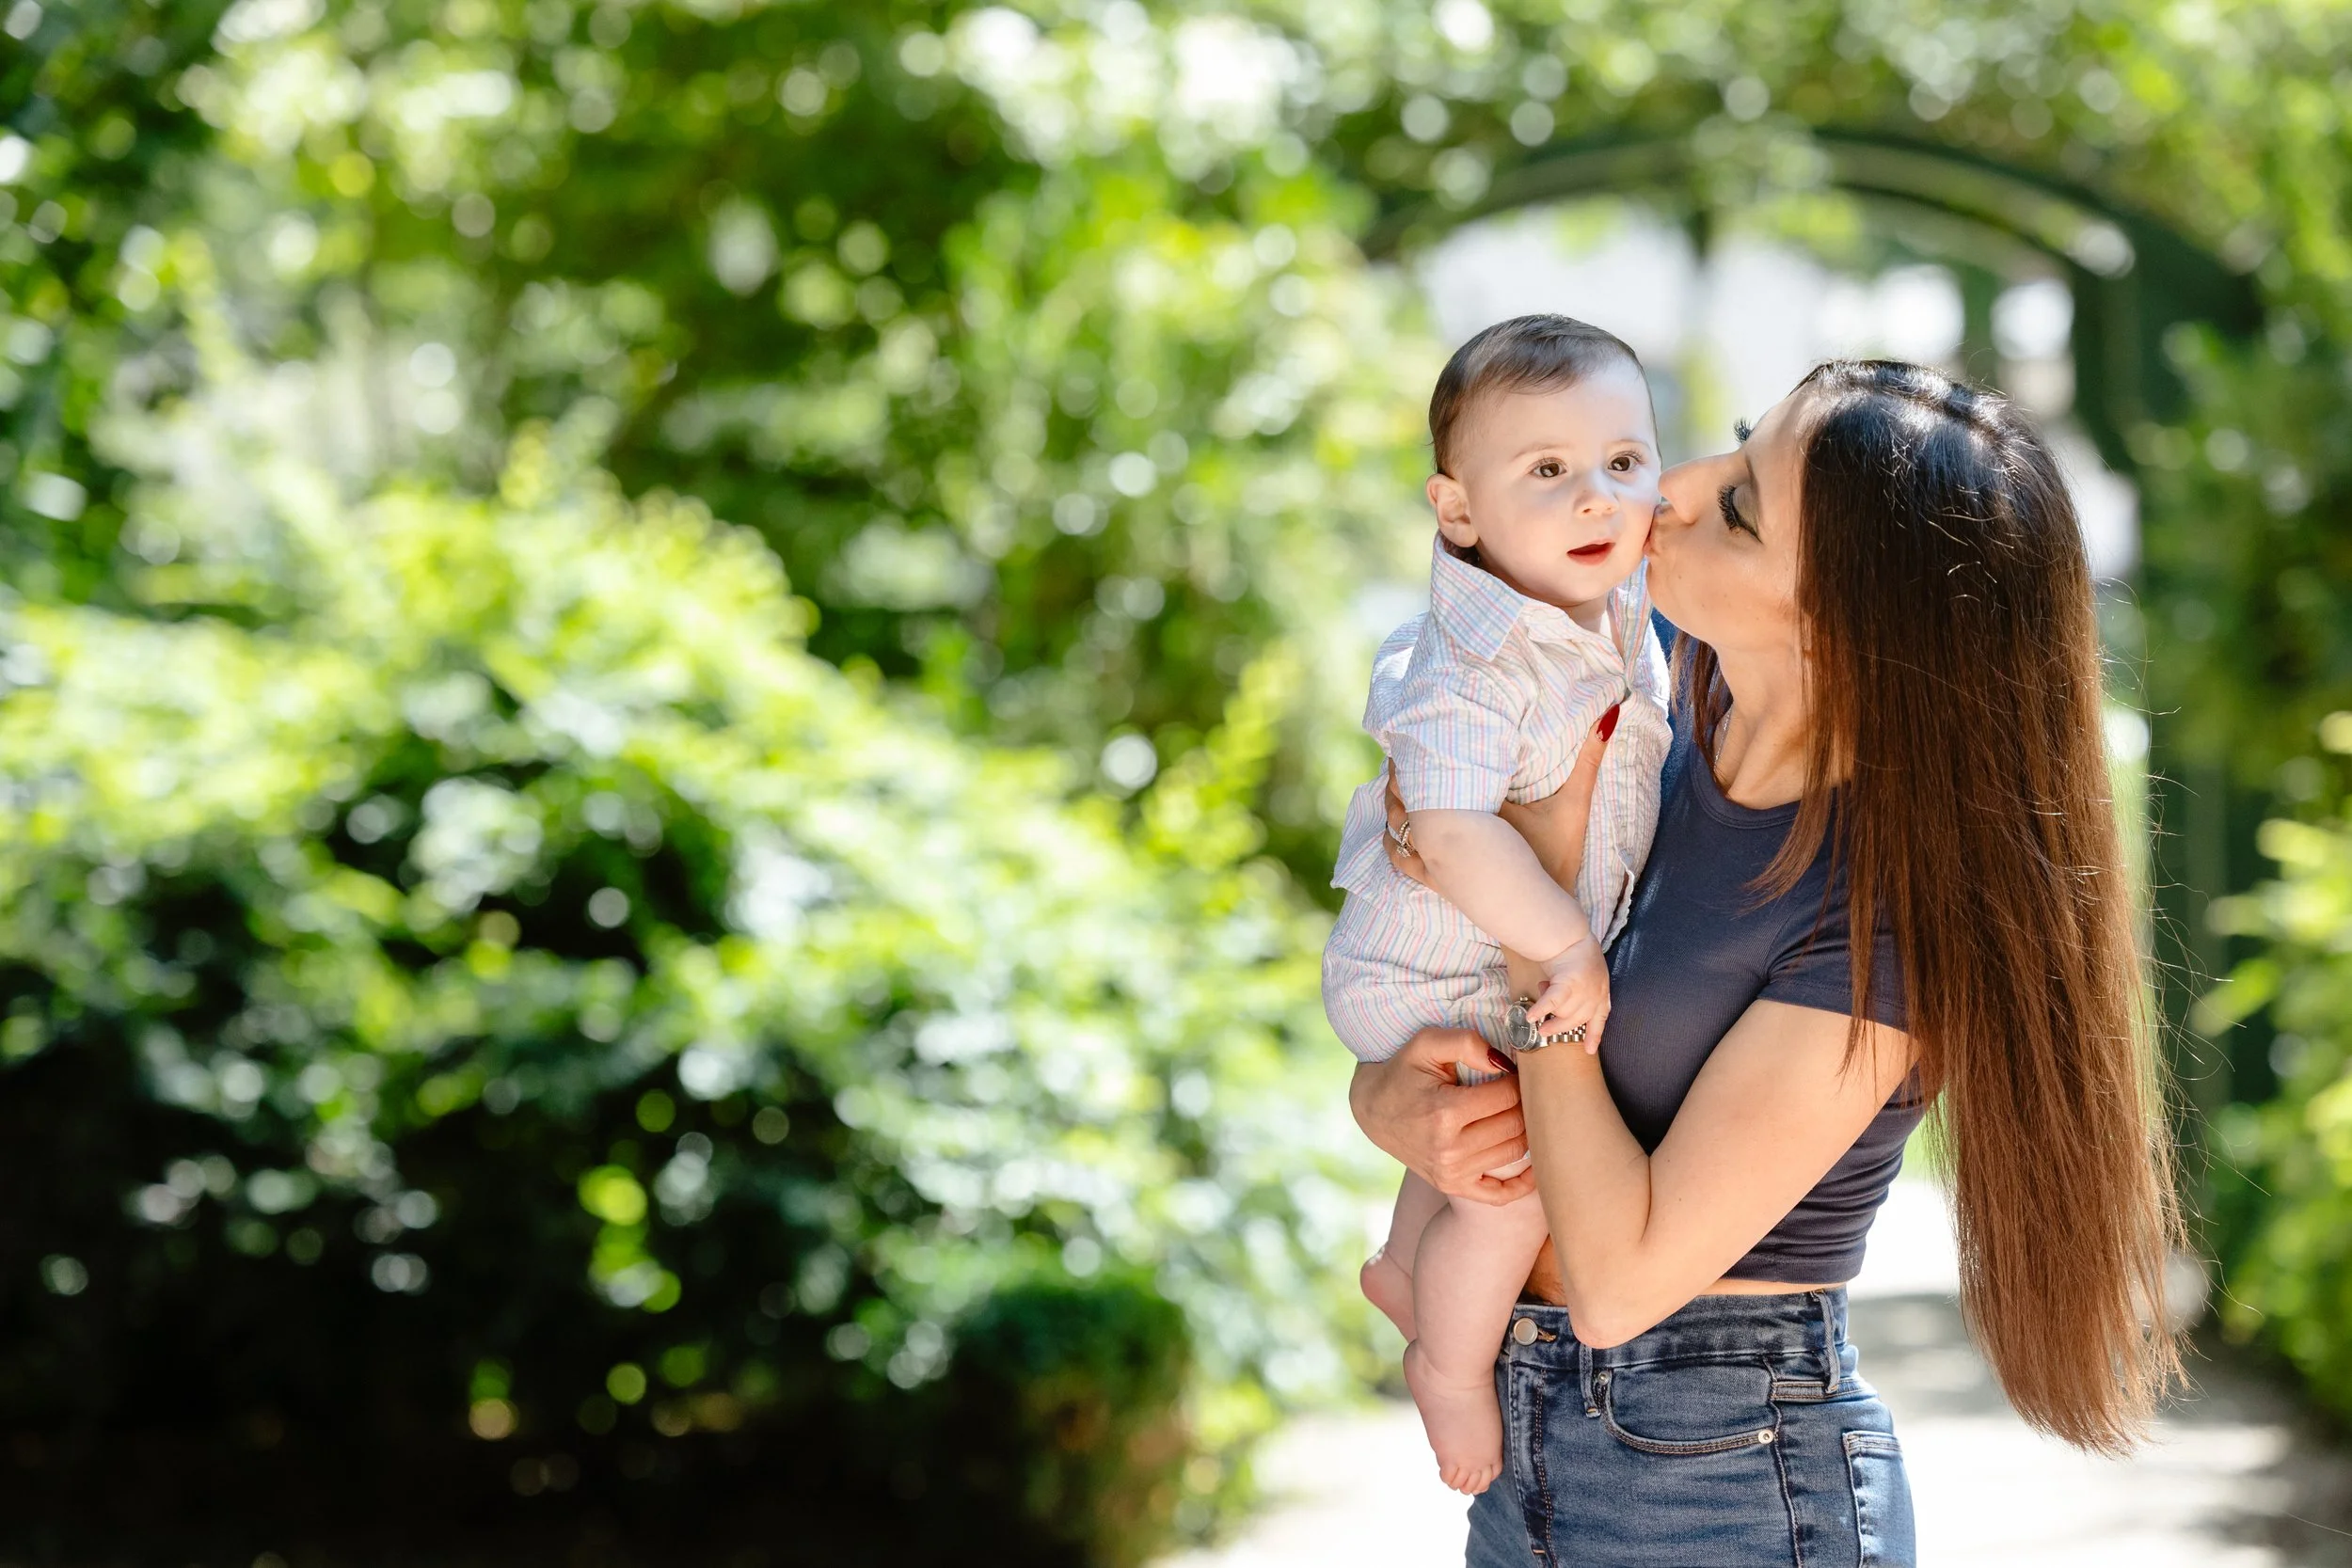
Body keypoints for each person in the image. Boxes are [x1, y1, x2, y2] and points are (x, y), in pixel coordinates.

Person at [1348, 360, 2183, 1565]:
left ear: (1854, 626)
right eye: (1736, 449)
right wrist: (1387, 1098)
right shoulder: (1646, 714)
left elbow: (1624, 1279)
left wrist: (1543, 944)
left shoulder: (1881, 925)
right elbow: (1439, 981)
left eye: (1740, 504)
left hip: (1727, 1475)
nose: (1673, 489)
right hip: (1526, 1444)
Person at [1322, 315, 1674, 1494]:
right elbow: (1450, 828)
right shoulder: (1477, 664)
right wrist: (1565, 935)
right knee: (1515, 1178)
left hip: (1467, 968)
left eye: (1623, 462)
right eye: (1547, 471)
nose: (1596, 500)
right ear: (1457, 508)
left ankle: (1405, 1266)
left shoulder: (1617, 620)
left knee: (1476, 1142)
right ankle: (1450, 1364)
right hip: (1424, 972)